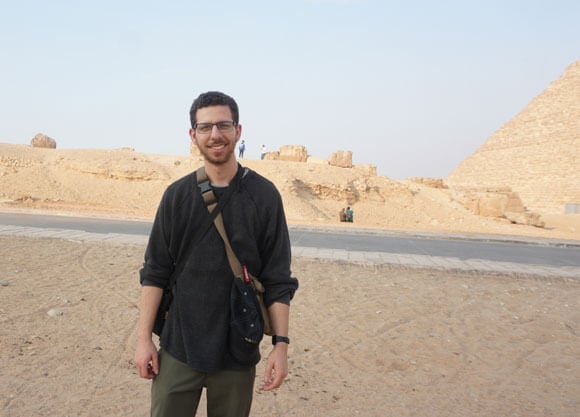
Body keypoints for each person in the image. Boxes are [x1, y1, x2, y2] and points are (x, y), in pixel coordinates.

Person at [134, 91, 299, 417]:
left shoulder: (263, 196)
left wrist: (281, 346)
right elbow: (155, 271)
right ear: (193, 135)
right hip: (179, 348)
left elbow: (278, 278)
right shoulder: (176, 196)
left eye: (224, 125)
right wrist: (143, 340)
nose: (215, 135)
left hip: (238, 353)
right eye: (205, 127)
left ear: (238, 131)